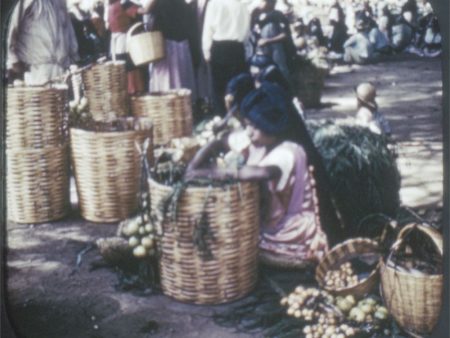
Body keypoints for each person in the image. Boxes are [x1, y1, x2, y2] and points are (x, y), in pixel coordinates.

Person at [186, 82, 343, 262]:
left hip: (290, 231)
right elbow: (223, 141)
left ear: (273, 128)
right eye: (247, 125)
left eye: (255, 127)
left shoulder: (288, 152)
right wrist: (211, 145)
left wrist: (202, 172)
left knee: (235, 246)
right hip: (272, 223)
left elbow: (257, 174)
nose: (249, 132)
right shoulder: (259, 140)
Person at [6, 0, 79, 85]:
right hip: (36, 70)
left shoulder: (60, 2)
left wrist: (74, 59)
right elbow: (9, 28)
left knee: (60, 97)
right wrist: (13, 60)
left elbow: (68, 31)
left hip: (62, 70)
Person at [139, 0, 198, 98]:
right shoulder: (183, 4)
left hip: (166, 45)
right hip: (180, 44)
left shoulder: (160, 4)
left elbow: (148, 15)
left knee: (166, 77)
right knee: (180, 77)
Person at [202, 0, 251, 116]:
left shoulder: (214, 3)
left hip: (220, 49)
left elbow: (208, 28)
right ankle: (239, 119)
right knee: (237, 87)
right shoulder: (241, 5)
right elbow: (246, 32)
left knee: (220, 88)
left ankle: (222, 118)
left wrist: (206, 51)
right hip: (237, 48)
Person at [251, 0, 296, 83]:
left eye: (263, 1)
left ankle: (287, 90)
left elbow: (284, 34)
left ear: (271, 3)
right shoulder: (257, 15)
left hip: (277, 49)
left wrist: (268, 40)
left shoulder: (277, 15)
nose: (260, 3)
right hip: (263, 50)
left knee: (281, 70)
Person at [106, 0, 145, 95]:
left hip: (124, 38)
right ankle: (124, 91)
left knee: (127, 65)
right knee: (119, 66)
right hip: (115, 39)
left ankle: (133, 90)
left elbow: (141, 11)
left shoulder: (124, 3)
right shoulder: (111, 4)